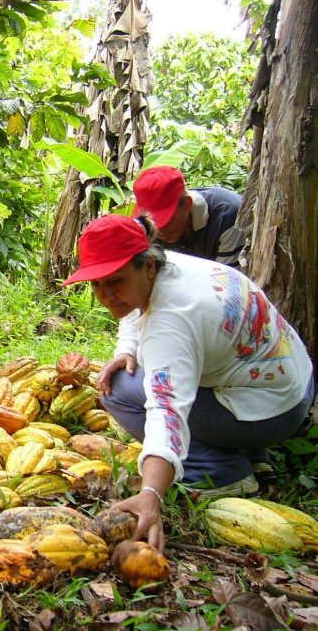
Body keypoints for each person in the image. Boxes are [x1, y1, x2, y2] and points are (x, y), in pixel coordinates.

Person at [62, 214, 314, 551]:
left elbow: (167, 413)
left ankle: (221, 471)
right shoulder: (171, 265)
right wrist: (126, 349)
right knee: (134, 372)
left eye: (115, 282)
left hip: (272, 412)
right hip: (293, 383)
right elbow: (134, 311)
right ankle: (252, 451)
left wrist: (150, 494)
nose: (105, 295)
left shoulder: (171, 324)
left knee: (119, 391)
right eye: (95, 284)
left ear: (147, 266)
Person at [132, 165, 246, 268]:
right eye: (154, 223)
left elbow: (228, 283)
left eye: (166, 221)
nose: (160, 231)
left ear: (187, 204)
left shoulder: (227, 217)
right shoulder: (150, 229)